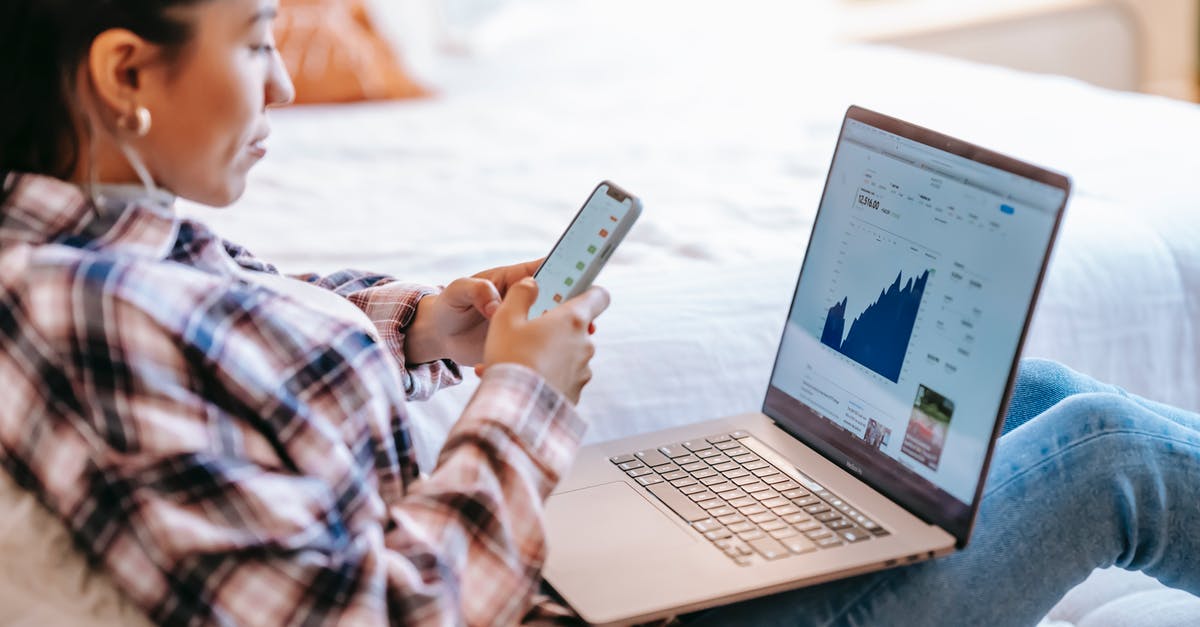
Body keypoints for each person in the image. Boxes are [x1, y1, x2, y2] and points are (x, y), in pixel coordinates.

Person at [0, 1, 1195, 625]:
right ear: (124, 74)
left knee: (1035, 402)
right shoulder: (86, 315)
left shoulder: (83, 249)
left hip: (557, 580)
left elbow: (231, 332)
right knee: (1106, 458)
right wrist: (522, 399)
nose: (288, 82)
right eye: (258, 42)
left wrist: (426, 323)